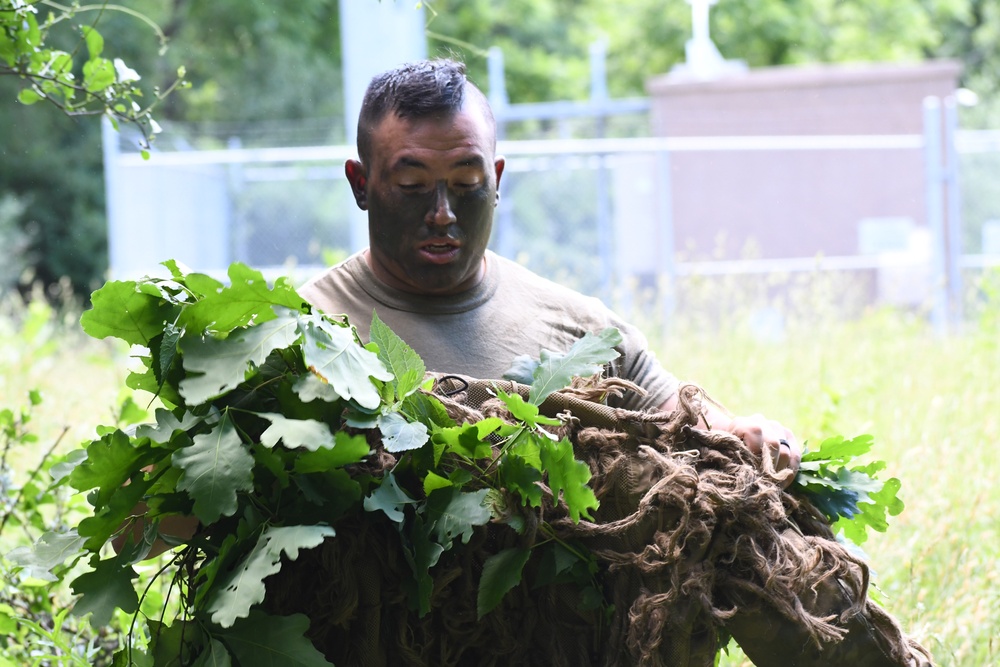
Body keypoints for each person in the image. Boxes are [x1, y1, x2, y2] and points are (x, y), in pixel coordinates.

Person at [298, 58, 801, 482]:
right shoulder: (299, 336)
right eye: (412, 186)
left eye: (466, 181)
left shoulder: (587, 333)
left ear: (496, 181)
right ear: (360, 184)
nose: (442, 213)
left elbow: (694, 426)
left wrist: (751, 434)